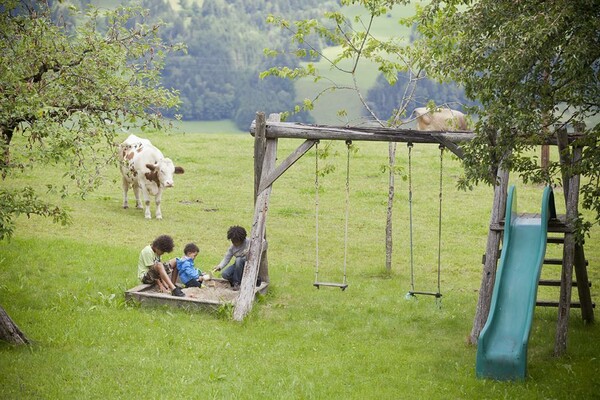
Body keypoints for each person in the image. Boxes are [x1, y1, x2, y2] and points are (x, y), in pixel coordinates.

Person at [213, 225, 249, 291]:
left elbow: (262, 241)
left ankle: (236, 283)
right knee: (225, 274)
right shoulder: (232, 248)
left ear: (242, 239)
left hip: (248, 265)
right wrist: (220, 266)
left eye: (236, 241)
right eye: (233, 241)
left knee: (238, 260)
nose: (234, 243)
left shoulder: (249, 242)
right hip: (238, 266)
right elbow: (227, 257)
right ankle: (241, 281)